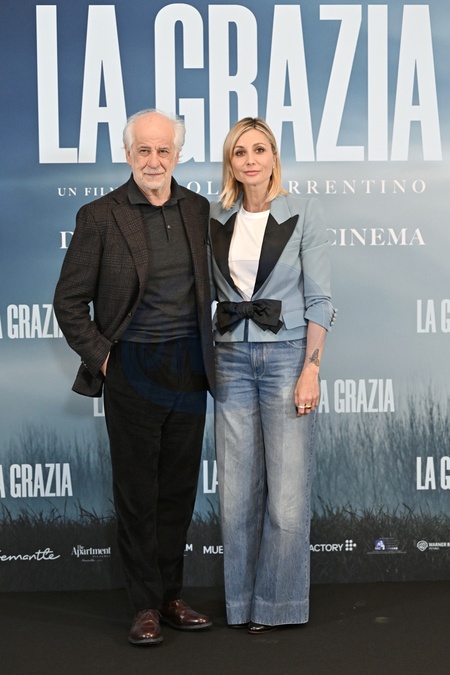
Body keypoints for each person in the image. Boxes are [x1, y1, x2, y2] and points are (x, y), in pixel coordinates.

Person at [54, 109, 215, 646]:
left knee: (178, 491)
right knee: (137, 493)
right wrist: (106, 360)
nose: (153, 160)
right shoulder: (100, 216)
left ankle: (170, 597)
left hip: (189, 368)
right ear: (127, 154)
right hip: (132, 368)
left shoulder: (197, 209)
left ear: (177, 155)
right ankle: (144, 605)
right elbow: (68, 301)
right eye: (143, 150)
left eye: (163, 150)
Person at [209, 117, 336, 634]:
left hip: (287, 358)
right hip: (229, 360)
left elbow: (320, 299)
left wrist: (311, 369)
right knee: (236, 498)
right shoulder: (212, 216)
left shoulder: (304, 212)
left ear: (274, 157)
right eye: (240, 152)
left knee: (286, 499)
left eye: (259, 149)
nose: (251, 160)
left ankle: (277, 606)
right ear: (231, 162)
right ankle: (240, 605)